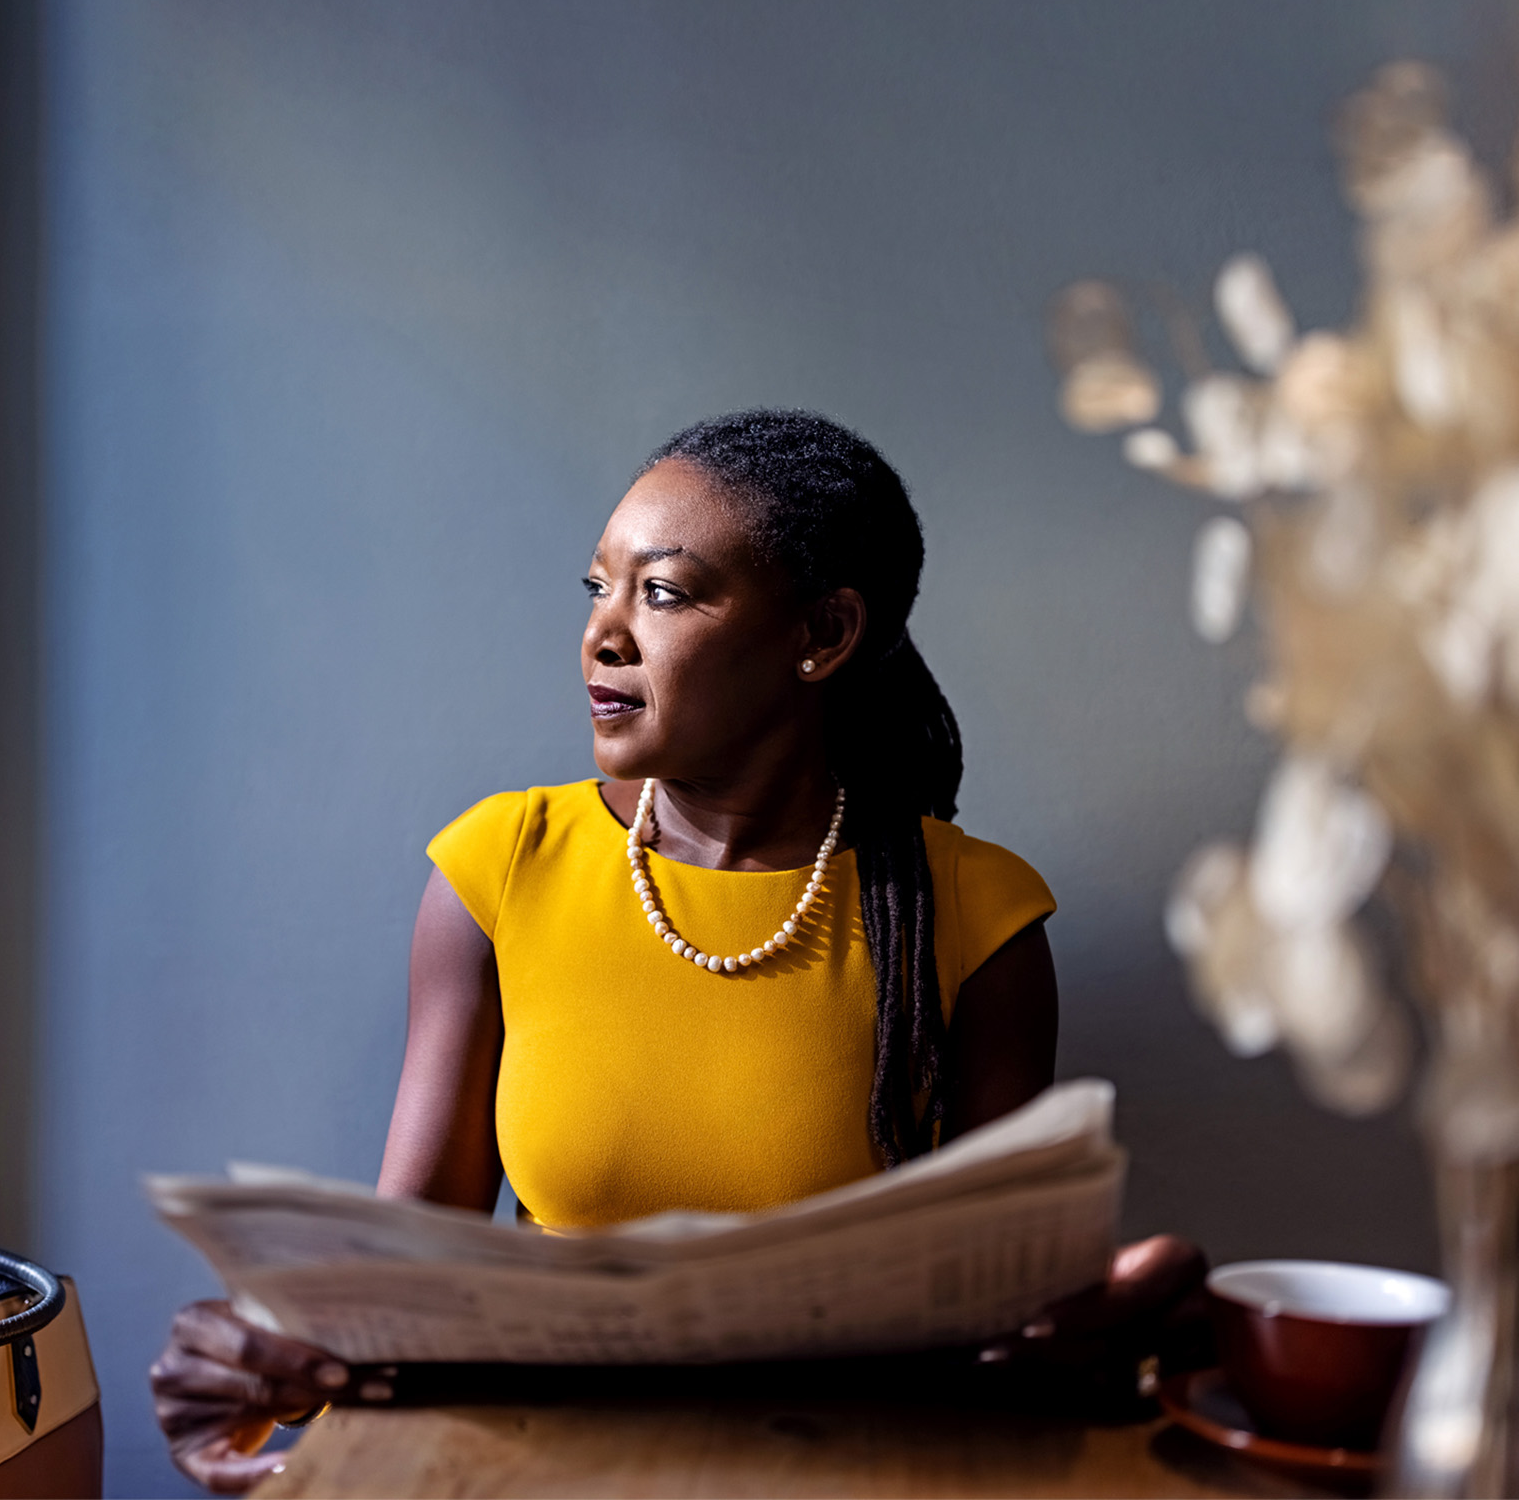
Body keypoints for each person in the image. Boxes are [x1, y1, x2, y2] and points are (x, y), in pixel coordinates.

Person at [150, 410, 1204, 1492]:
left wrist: (1111, 1318)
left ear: (824, 635)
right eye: (597, 589)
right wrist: (263, 1362)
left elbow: (1004, 1325)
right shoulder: (502, 865)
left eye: (662, 592)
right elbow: (406, 1275)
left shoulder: (977, 916)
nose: (604, 636)